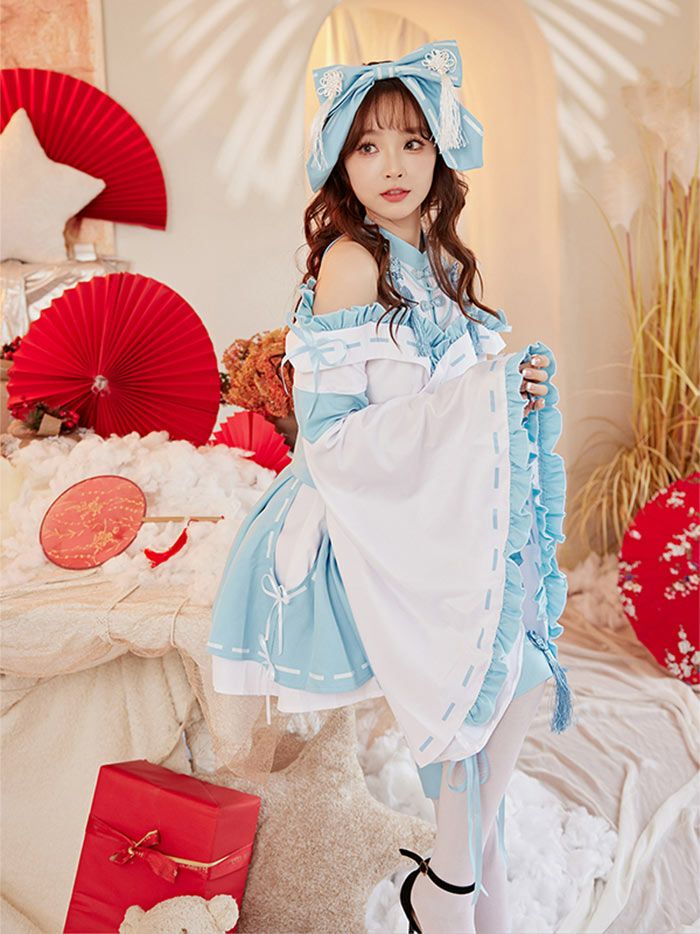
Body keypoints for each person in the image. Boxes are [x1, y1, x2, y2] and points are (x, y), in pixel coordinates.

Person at [207, 39, 573, 934]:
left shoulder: (440, 265)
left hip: (431, 509)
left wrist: (513, 388)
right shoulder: (352, 261)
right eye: (368, 146)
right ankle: (453, 886)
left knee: (513, 680)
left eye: (412, 142)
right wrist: (481, 400)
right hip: (366, 519)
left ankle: (456, 880)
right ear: (342, 163)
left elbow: (457, 400)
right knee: (490, 689)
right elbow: (333, 438)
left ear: (440, 152)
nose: (393, 166)